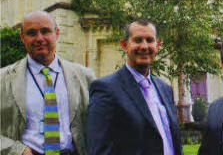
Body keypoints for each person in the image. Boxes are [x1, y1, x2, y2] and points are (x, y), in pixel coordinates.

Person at [0, 11, 95, 155]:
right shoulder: (3, 79)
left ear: (57, 33)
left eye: (45, 31)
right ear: (22, 37)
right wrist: (17, 150)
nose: (39, 38)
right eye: (32, 33)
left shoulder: (84, 76)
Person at [86, 19, 182, 155]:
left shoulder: (165, 89)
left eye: (149, 40)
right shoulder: (105, 89)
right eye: (138, 40)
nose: (144, 46)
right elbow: (99, 149)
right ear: (124, 45)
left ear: (158, 45)